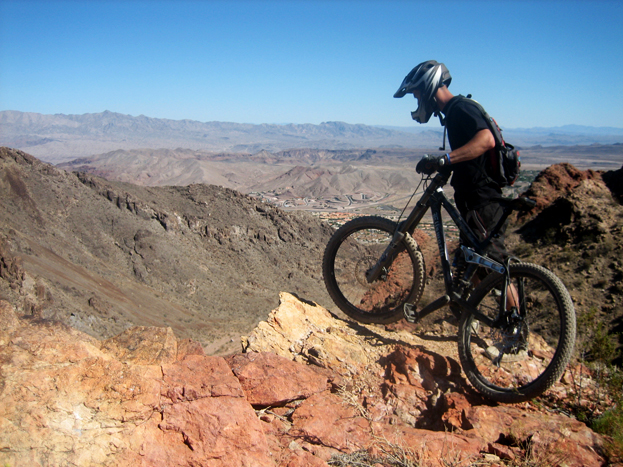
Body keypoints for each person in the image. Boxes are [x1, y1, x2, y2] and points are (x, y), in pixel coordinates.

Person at [393, 60, 509, 269]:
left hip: (482, 202)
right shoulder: (453, 112)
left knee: (494, 267)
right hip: (473, 202)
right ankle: (462, 303)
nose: (417, 99)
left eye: (416, 93)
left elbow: (486, 140)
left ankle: (514, 304)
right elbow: (467, 154)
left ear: (428, 86)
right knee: (473, 266)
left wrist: (445, 159)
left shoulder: (461, 108)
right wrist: (440, 166)